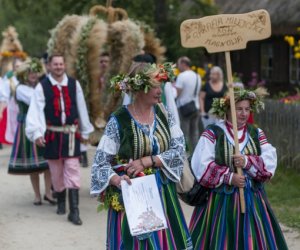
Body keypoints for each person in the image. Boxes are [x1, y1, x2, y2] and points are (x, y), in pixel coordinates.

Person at [91, 62, 193, 249]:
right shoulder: (119, 120)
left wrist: (149, 160)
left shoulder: (164, 114)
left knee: (165, 243)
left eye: (160, 84)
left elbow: (179, 149)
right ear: (139, 88)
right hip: (132, 194)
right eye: (155, 85)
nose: (160, 90)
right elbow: (100, 163)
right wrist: (116, 180)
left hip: (163, 193)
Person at [189, 88, 288, 249]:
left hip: (252, 198)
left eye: (247, 109)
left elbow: (269, 161)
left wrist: (248, 162)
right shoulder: (214, 133)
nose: (243, 113)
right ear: (227, 110)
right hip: (220, 201)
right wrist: (229, 177)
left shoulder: (256, 133)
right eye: (238, 109)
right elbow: (201, 164)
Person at [26, 55, 94, 225]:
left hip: (71, 135)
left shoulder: (73, 84)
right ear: (49, 66)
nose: (58, 67)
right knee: (56, 173)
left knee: (72, 170)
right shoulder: (42, 87)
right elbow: (35, 111)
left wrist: (85, 131)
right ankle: (62, 202)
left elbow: (81, 106)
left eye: (61, 64)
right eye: (55, 64)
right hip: (52, 135)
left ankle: (74, 211)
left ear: (64, 65)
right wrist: (36, 133)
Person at [8, 58, 56, 206]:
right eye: (30, 72)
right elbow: (37, 99)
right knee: (33, 165)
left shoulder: (40, 86)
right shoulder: (21, 89)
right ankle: (37, 195)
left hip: (42, 125)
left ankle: (48, 193)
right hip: (26, 128)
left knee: (48, 162)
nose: (33, 74)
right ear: (24, 75)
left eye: (35, 71)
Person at [175, 56, 201, 152]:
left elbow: (177, 93)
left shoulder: (182, 76)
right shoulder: (197, 76)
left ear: (184, 64)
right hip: (195, 107)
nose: (178, 66)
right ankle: (196, 154)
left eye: (178, 64)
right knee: (194, 133)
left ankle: (182, 155)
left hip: (183, 108)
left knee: (183, 133)